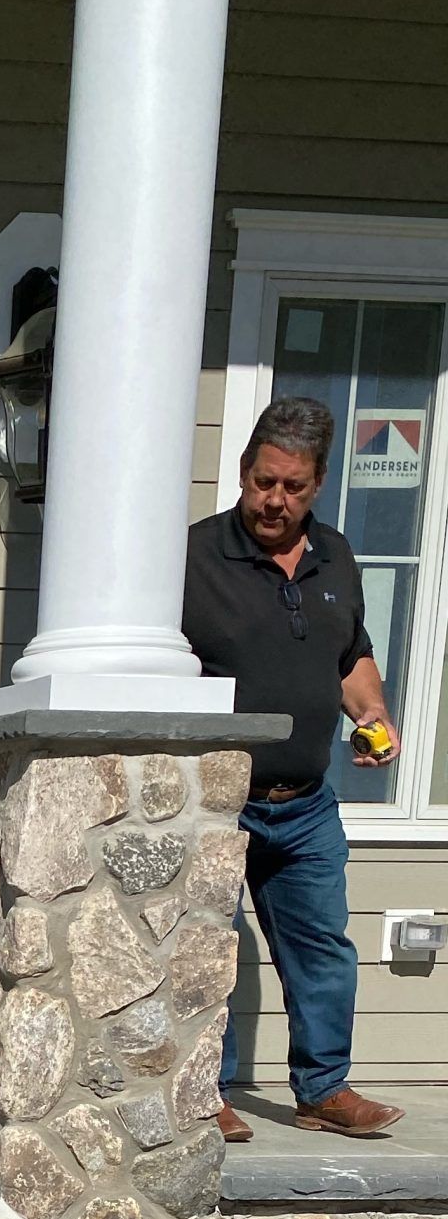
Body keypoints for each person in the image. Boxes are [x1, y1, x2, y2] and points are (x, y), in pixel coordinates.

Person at [181, 395, 404, 1140]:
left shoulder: (336, 555)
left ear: (318, 485)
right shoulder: (192, 557)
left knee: (321, 949)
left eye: (294, 487)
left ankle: (323, 1090)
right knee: (208, 949)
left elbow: (350, 654)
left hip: (305, 802)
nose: (275, 500)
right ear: (244, 472)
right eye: (264, 482)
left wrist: (373, 717)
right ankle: (203, 1094)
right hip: (216, 799)